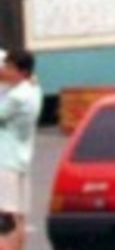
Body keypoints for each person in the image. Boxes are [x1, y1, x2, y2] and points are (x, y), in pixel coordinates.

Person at [0, 50, 41, 250]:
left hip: (5, 161)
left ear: (22, 72)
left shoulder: (16, 96)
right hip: (21, 159)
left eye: (9, 68)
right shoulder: (33, 90)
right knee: (18, 217)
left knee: (5, 219)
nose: (4, 71)